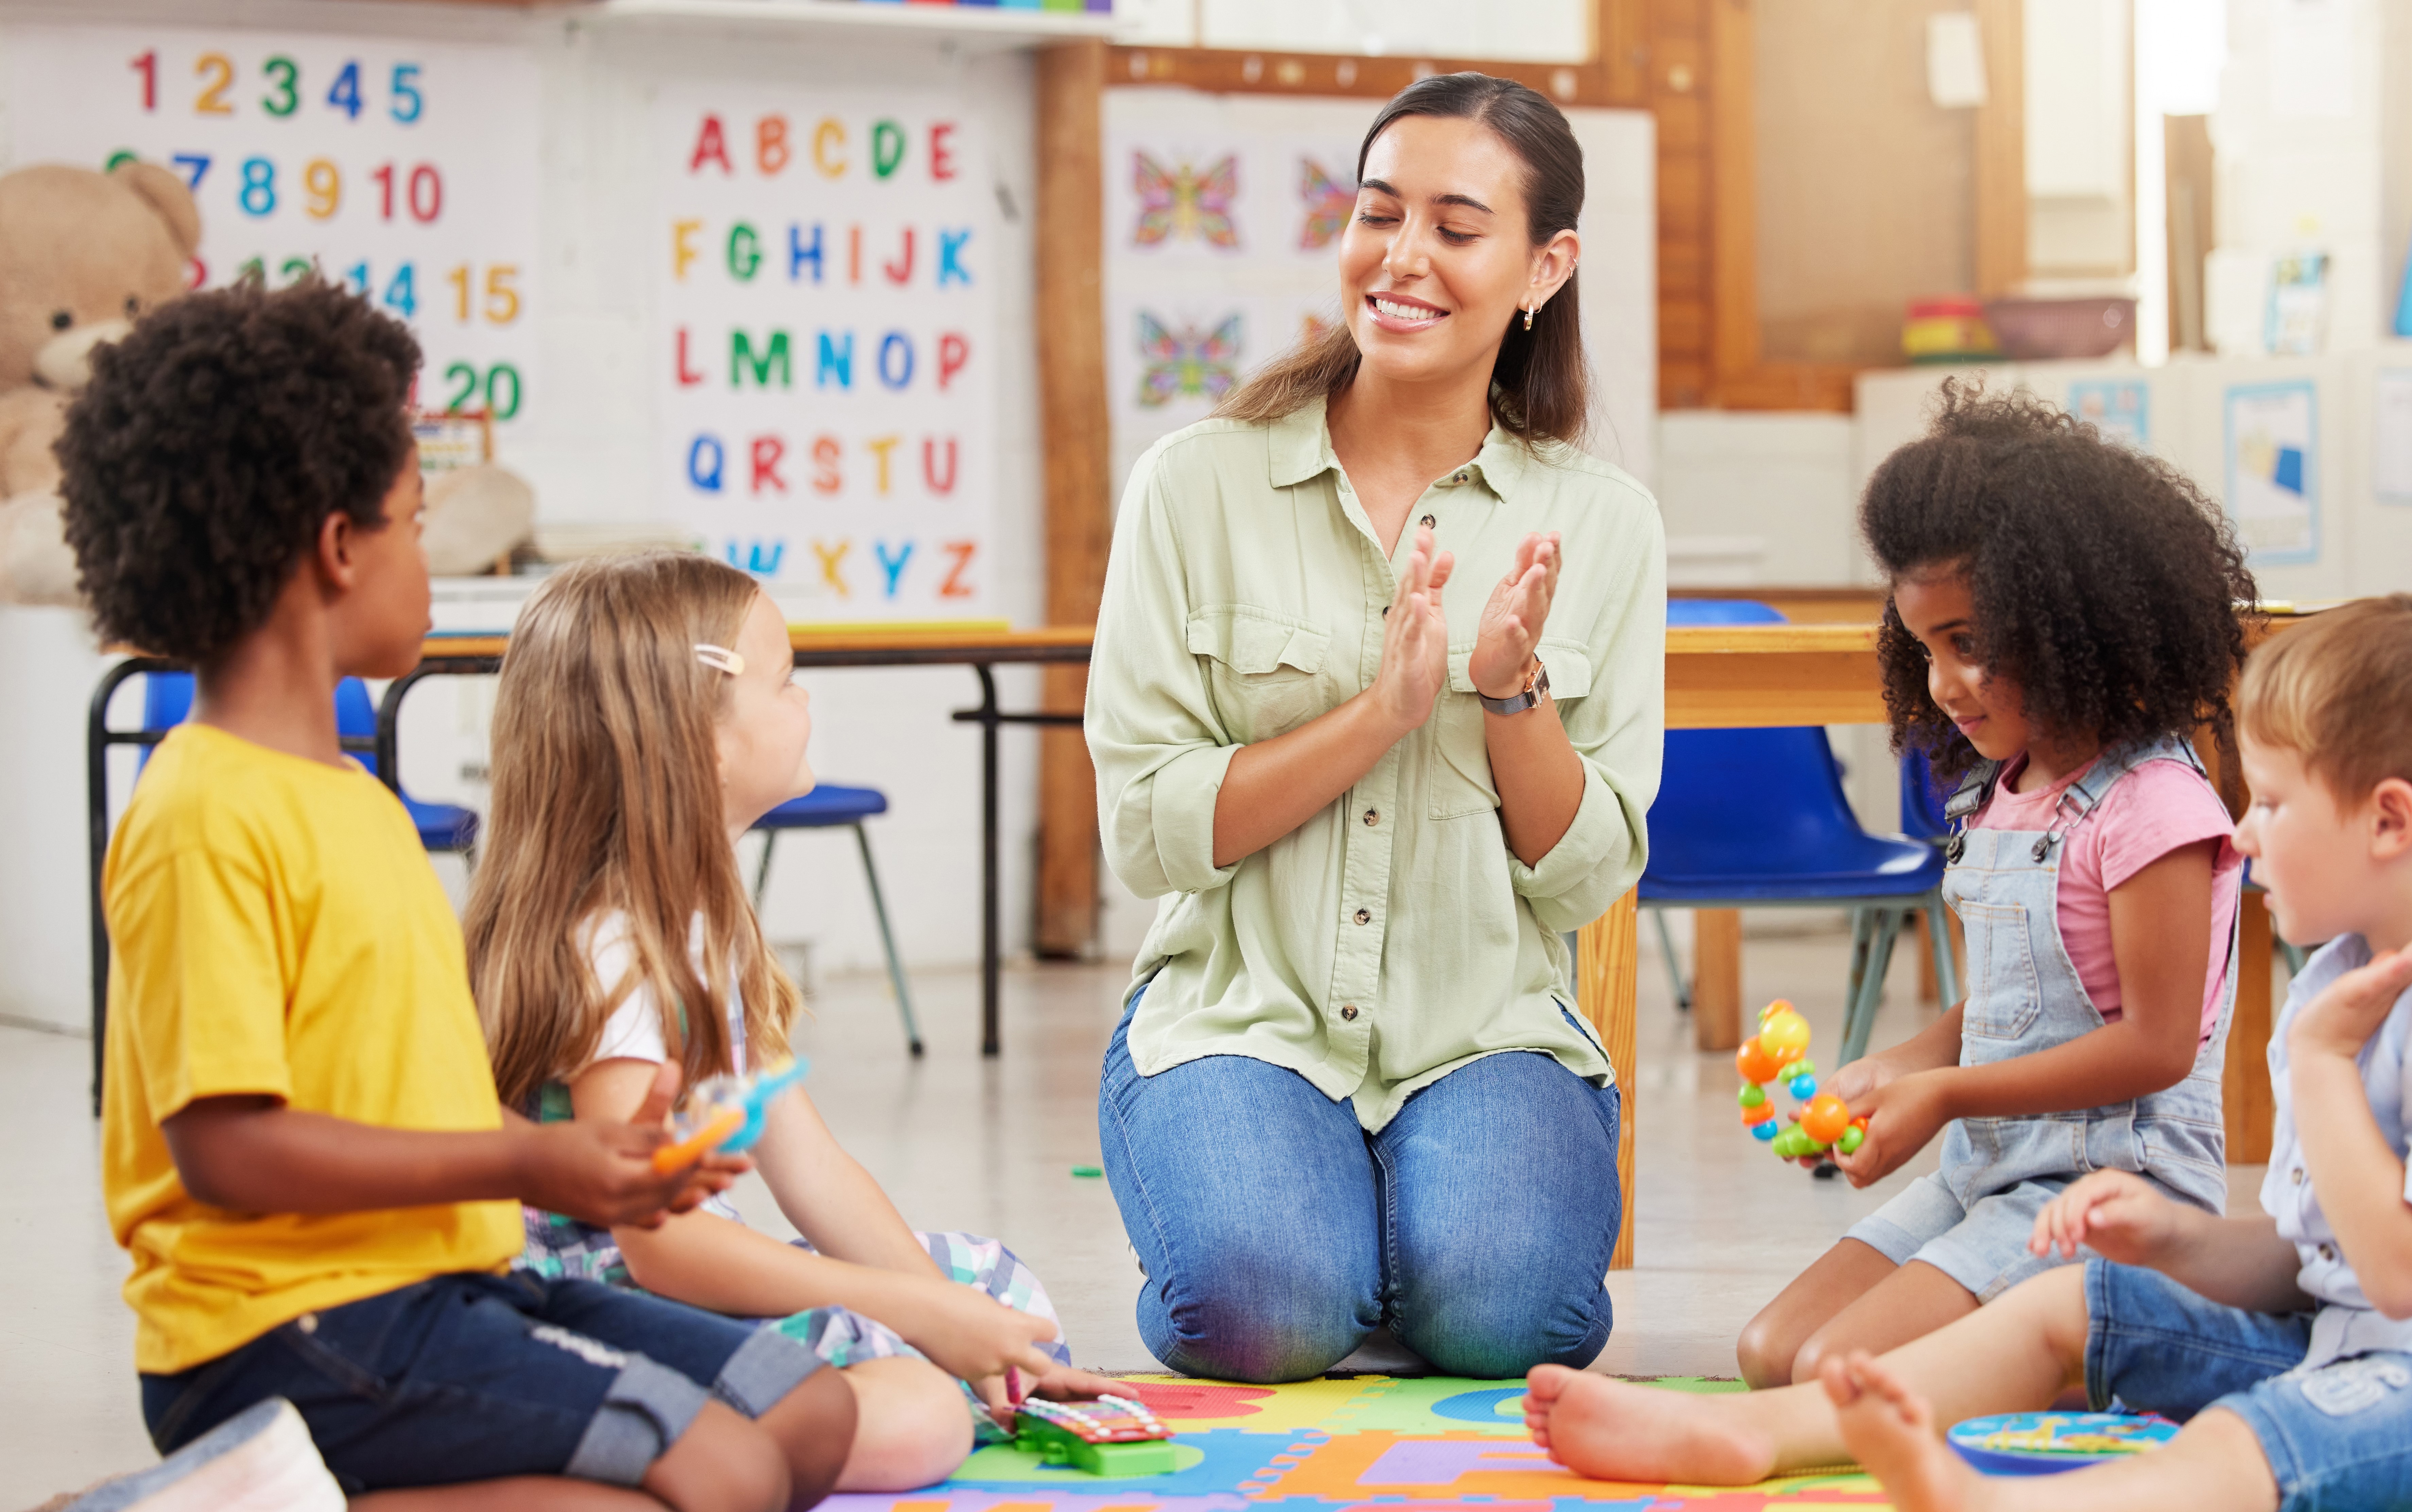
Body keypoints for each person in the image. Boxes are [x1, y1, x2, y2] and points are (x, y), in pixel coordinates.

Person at [1523, 593, 2412, 1512]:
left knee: (2249, 1439)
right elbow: (2328, 1263)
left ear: (2387, 820)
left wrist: (2314, 1070)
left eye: (2267, 803)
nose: (2245, 832)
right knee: (2069, 1303)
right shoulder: (2345, 972)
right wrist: (2178, 1239)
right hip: (2353, 1343)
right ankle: (1746, 1435)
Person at [66, 278, 857, 1510]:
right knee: (729, 1476)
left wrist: (605, 1158)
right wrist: (536, 1162)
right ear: (339, 550)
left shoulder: (356, 800)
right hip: (287, 1328)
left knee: (811, 1415)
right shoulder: (204, 812)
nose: (431, 561)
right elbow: (223, 1151)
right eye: (415, 524)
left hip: (444, 1277)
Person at [1084, 72, 1662, 1383]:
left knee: (1512, 1326)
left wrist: (1511, 698)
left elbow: (1585, 873)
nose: (1401, 259)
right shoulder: (1196, 484)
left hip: (1484, 1029)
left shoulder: (1605, 521)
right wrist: (1384, 714)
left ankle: (1393, 1239)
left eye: (1456, 230)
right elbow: (1152, 832)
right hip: (1241, 1017)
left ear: (1542, 265)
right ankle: (1312, 1234)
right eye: (1376, 213)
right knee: (1259, 1317)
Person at [467, 551, 1133, 1492]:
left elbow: (808, 1164)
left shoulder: (701, 920)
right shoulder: (615, 953)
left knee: (989, 1287)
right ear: (700, 741)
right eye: (784, 682)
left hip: (686, 1280)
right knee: (919, 1420)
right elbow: (659, 1248)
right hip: (599, 1307)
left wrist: (936, 1310)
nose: (806, 702)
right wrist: (909, 1318)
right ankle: (625, 1454)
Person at [1736, 385, 2257, 1386]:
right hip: (1989, 1172)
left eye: (1970, 642)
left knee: (1830, 1373)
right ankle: (2031, 1347)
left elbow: (2152, 1045)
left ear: (2074, 621)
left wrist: (1945, 1095)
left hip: (2108, 1186)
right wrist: (1895, 1068)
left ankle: (2125, 1329)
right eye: (1924, 647)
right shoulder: (2002, 794)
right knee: (1771, 1356)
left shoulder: (2153, 808)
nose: (1944, 684)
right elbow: (2026, 1005)